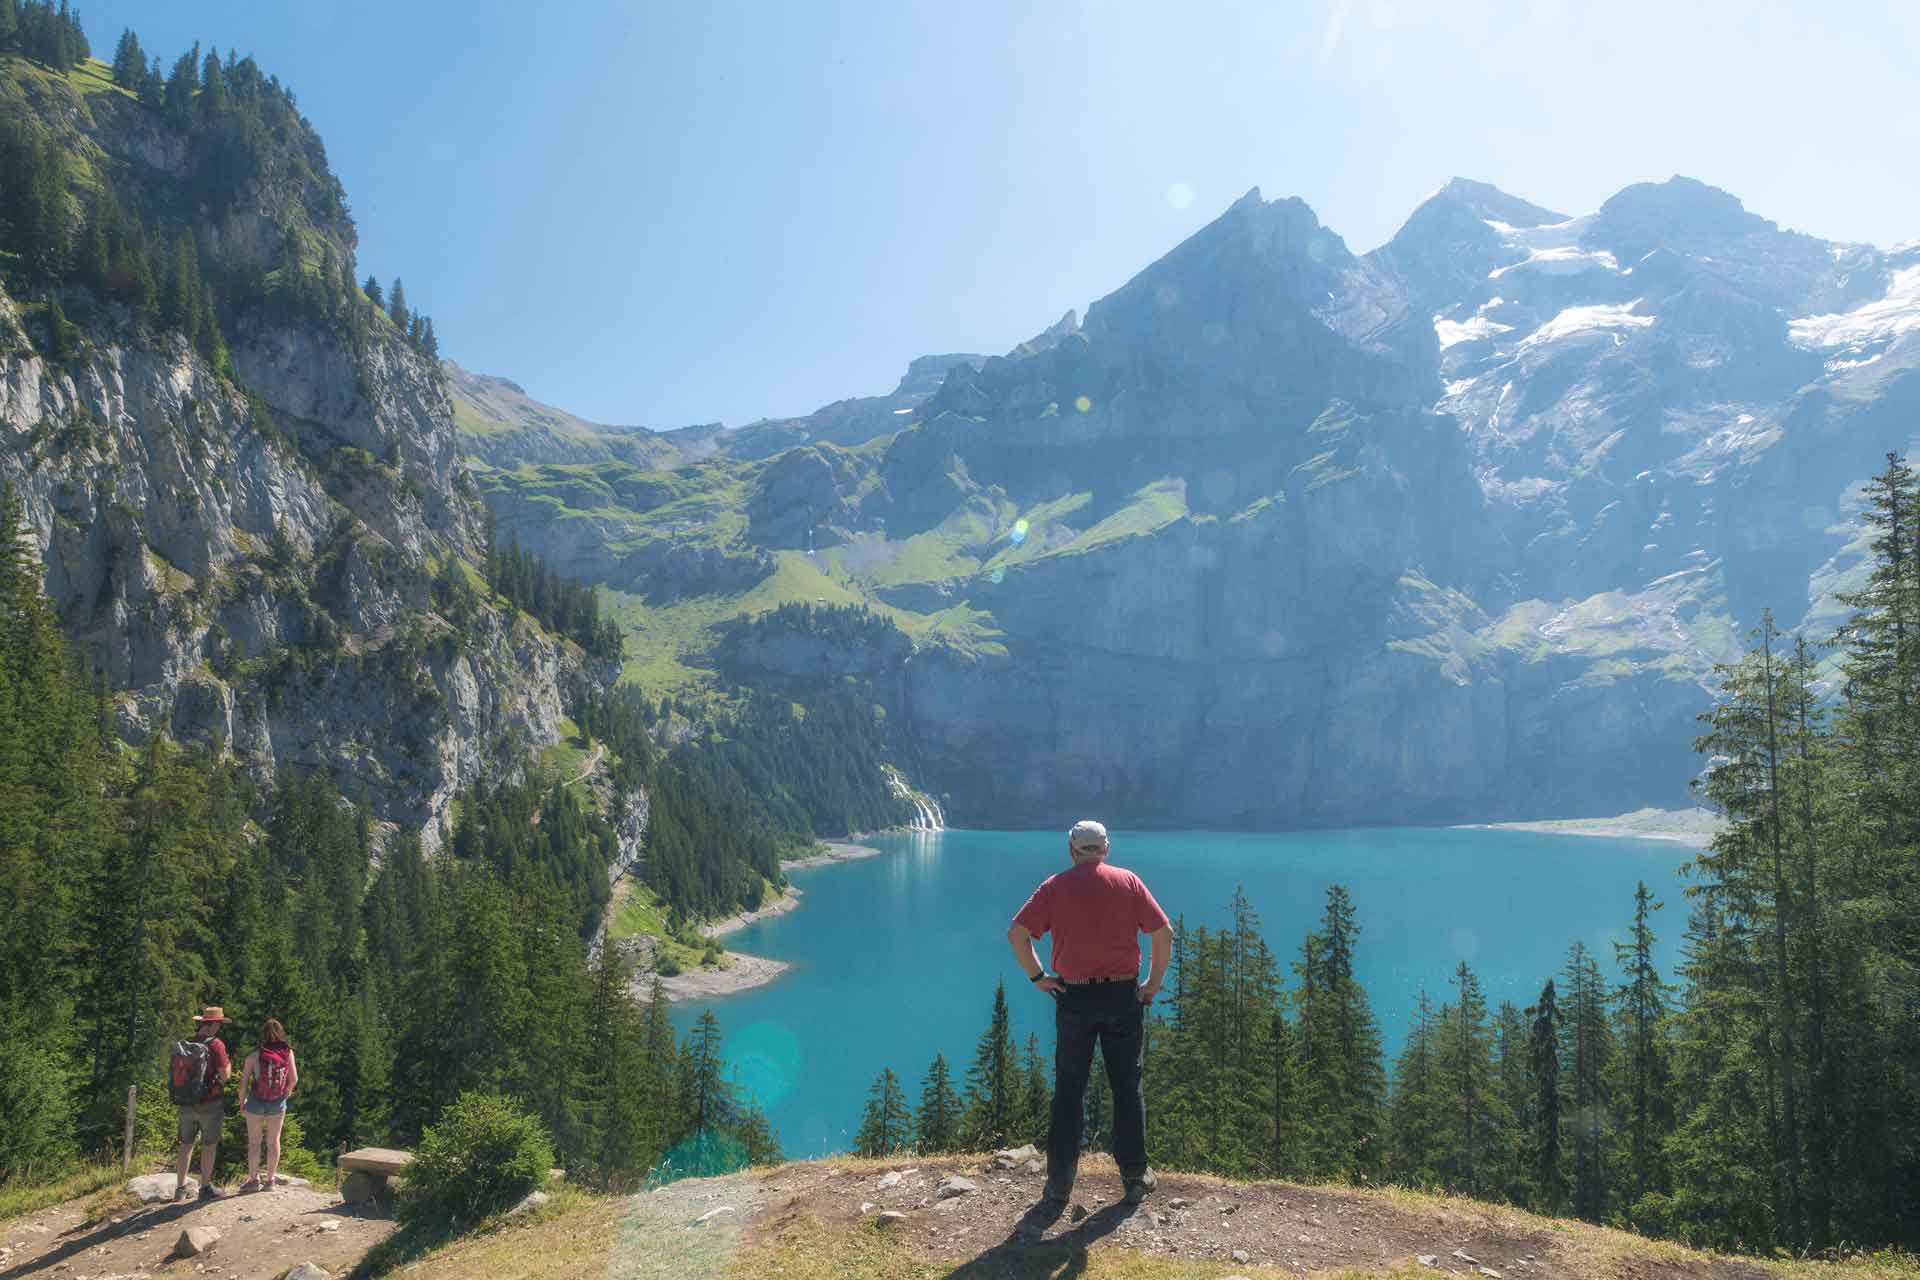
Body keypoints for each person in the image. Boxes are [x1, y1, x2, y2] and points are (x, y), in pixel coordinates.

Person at [1006, 820, 1172, 1206]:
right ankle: (1134, 1176)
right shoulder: (1128, 882)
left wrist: (1038, 978)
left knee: (1069, 1090)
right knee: (1127, 1087)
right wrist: (1152, 984)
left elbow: (1017, 935)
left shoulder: (1054, 887)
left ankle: (1059, 1185)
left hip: (1074, 997)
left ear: (1071, 851)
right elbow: (1162, 933)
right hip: (1121, 997)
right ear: (1106, 849)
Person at [172, 1006, 232, 1202]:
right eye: (219, 1024)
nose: (219, 1028)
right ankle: (205, 1188)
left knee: (185, 1145)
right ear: (214, 1024)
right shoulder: (216, 1045)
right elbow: (225, 1077)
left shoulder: (186, 1042)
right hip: (209, 1102)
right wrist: (229, 1066)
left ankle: (180, 1189)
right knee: (209, 1146)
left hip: (185, 1101)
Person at [236, 1018, 299, 1192]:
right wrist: (285, 1094)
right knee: (273, 1141)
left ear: (262, 1035)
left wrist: (242, 1102)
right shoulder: (288, 1053)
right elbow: (294, 1080)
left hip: (256, 1102)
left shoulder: (253, 1056)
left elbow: (243, 1085)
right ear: (281, 1034)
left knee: (254, 1142)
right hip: (277, 1103)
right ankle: (270, 1181)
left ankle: (253, 1180)